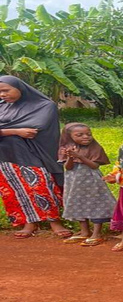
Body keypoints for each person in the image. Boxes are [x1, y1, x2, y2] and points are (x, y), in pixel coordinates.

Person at [0, 75, 70, 238]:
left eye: (6, 90)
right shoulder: (2, 106)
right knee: (15, 190)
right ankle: (29, 223)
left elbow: (35, 128)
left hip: (32, 153)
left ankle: (55, 222)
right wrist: (15, 131)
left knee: (41, 185)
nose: (2, 95)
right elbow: (22, 130)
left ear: (20, 88)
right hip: (5, 154)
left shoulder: (44, 105)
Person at [58, 123, 116, 246]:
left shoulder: (95, 148)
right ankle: (84, 232)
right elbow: (68, 167)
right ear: (69, 136)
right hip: (74, 182)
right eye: (80, 135)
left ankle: (97, 234)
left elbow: (95, 165)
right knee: (78, 203)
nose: (86, 137)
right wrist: (70, 157)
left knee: (96, 204)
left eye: (88, 134)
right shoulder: (66, 148)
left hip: (91, 181)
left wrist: (79, 156)